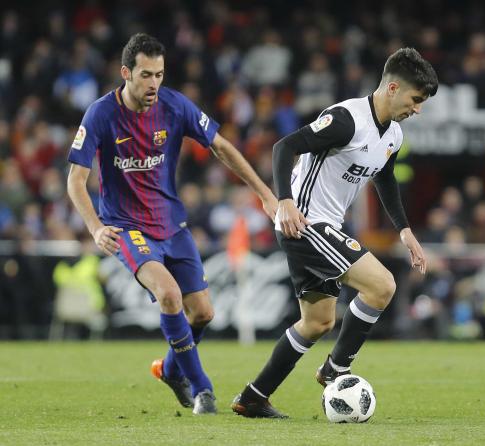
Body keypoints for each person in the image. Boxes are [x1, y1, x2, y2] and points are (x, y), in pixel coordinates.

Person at [67, 33, 278, 415]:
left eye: (159, 75)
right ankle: (204, 390)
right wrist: (96, 227)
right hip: (126, 227)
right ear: (125, 73)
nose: (153, 84)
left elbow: (221, 146)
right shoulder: (100, 113)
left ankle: (168, 369)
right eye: (146, 75)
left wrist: (265, 193)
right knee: (169, 295)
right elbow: (75, 180)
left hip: (172, 226)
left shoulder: (175, 106)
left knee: (204, 313)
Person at [231, 47, 438, 418]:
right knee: (382, 285)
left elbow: (385, 178)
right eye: (416, 99)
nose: (417, 108)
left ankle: (253, 397)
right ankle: (336, 372)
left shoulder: (393, 135)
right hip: (305, 222)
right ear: (392, 88)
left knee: (317, 322)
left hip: (323, 226)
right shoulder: (346, 119)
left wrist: (404, 230)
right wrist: (285, 201)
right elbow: (285, 146)